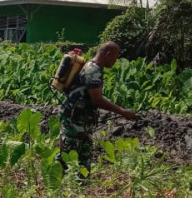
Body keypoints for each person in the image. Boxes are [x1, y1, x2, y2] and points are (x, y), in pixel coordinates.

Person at [56, 41, 136, 174]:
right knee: (66, 156)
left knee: (84, 158)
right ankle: (54, 182)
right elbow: (98, 100)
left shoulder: (91, 67)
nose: (116, 61)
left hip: (82, 119)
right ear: (108, 54)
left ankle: (82, 182)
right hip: (74, 119)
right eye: (116, 57)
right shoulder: (93, 71)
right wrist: (122, 112)